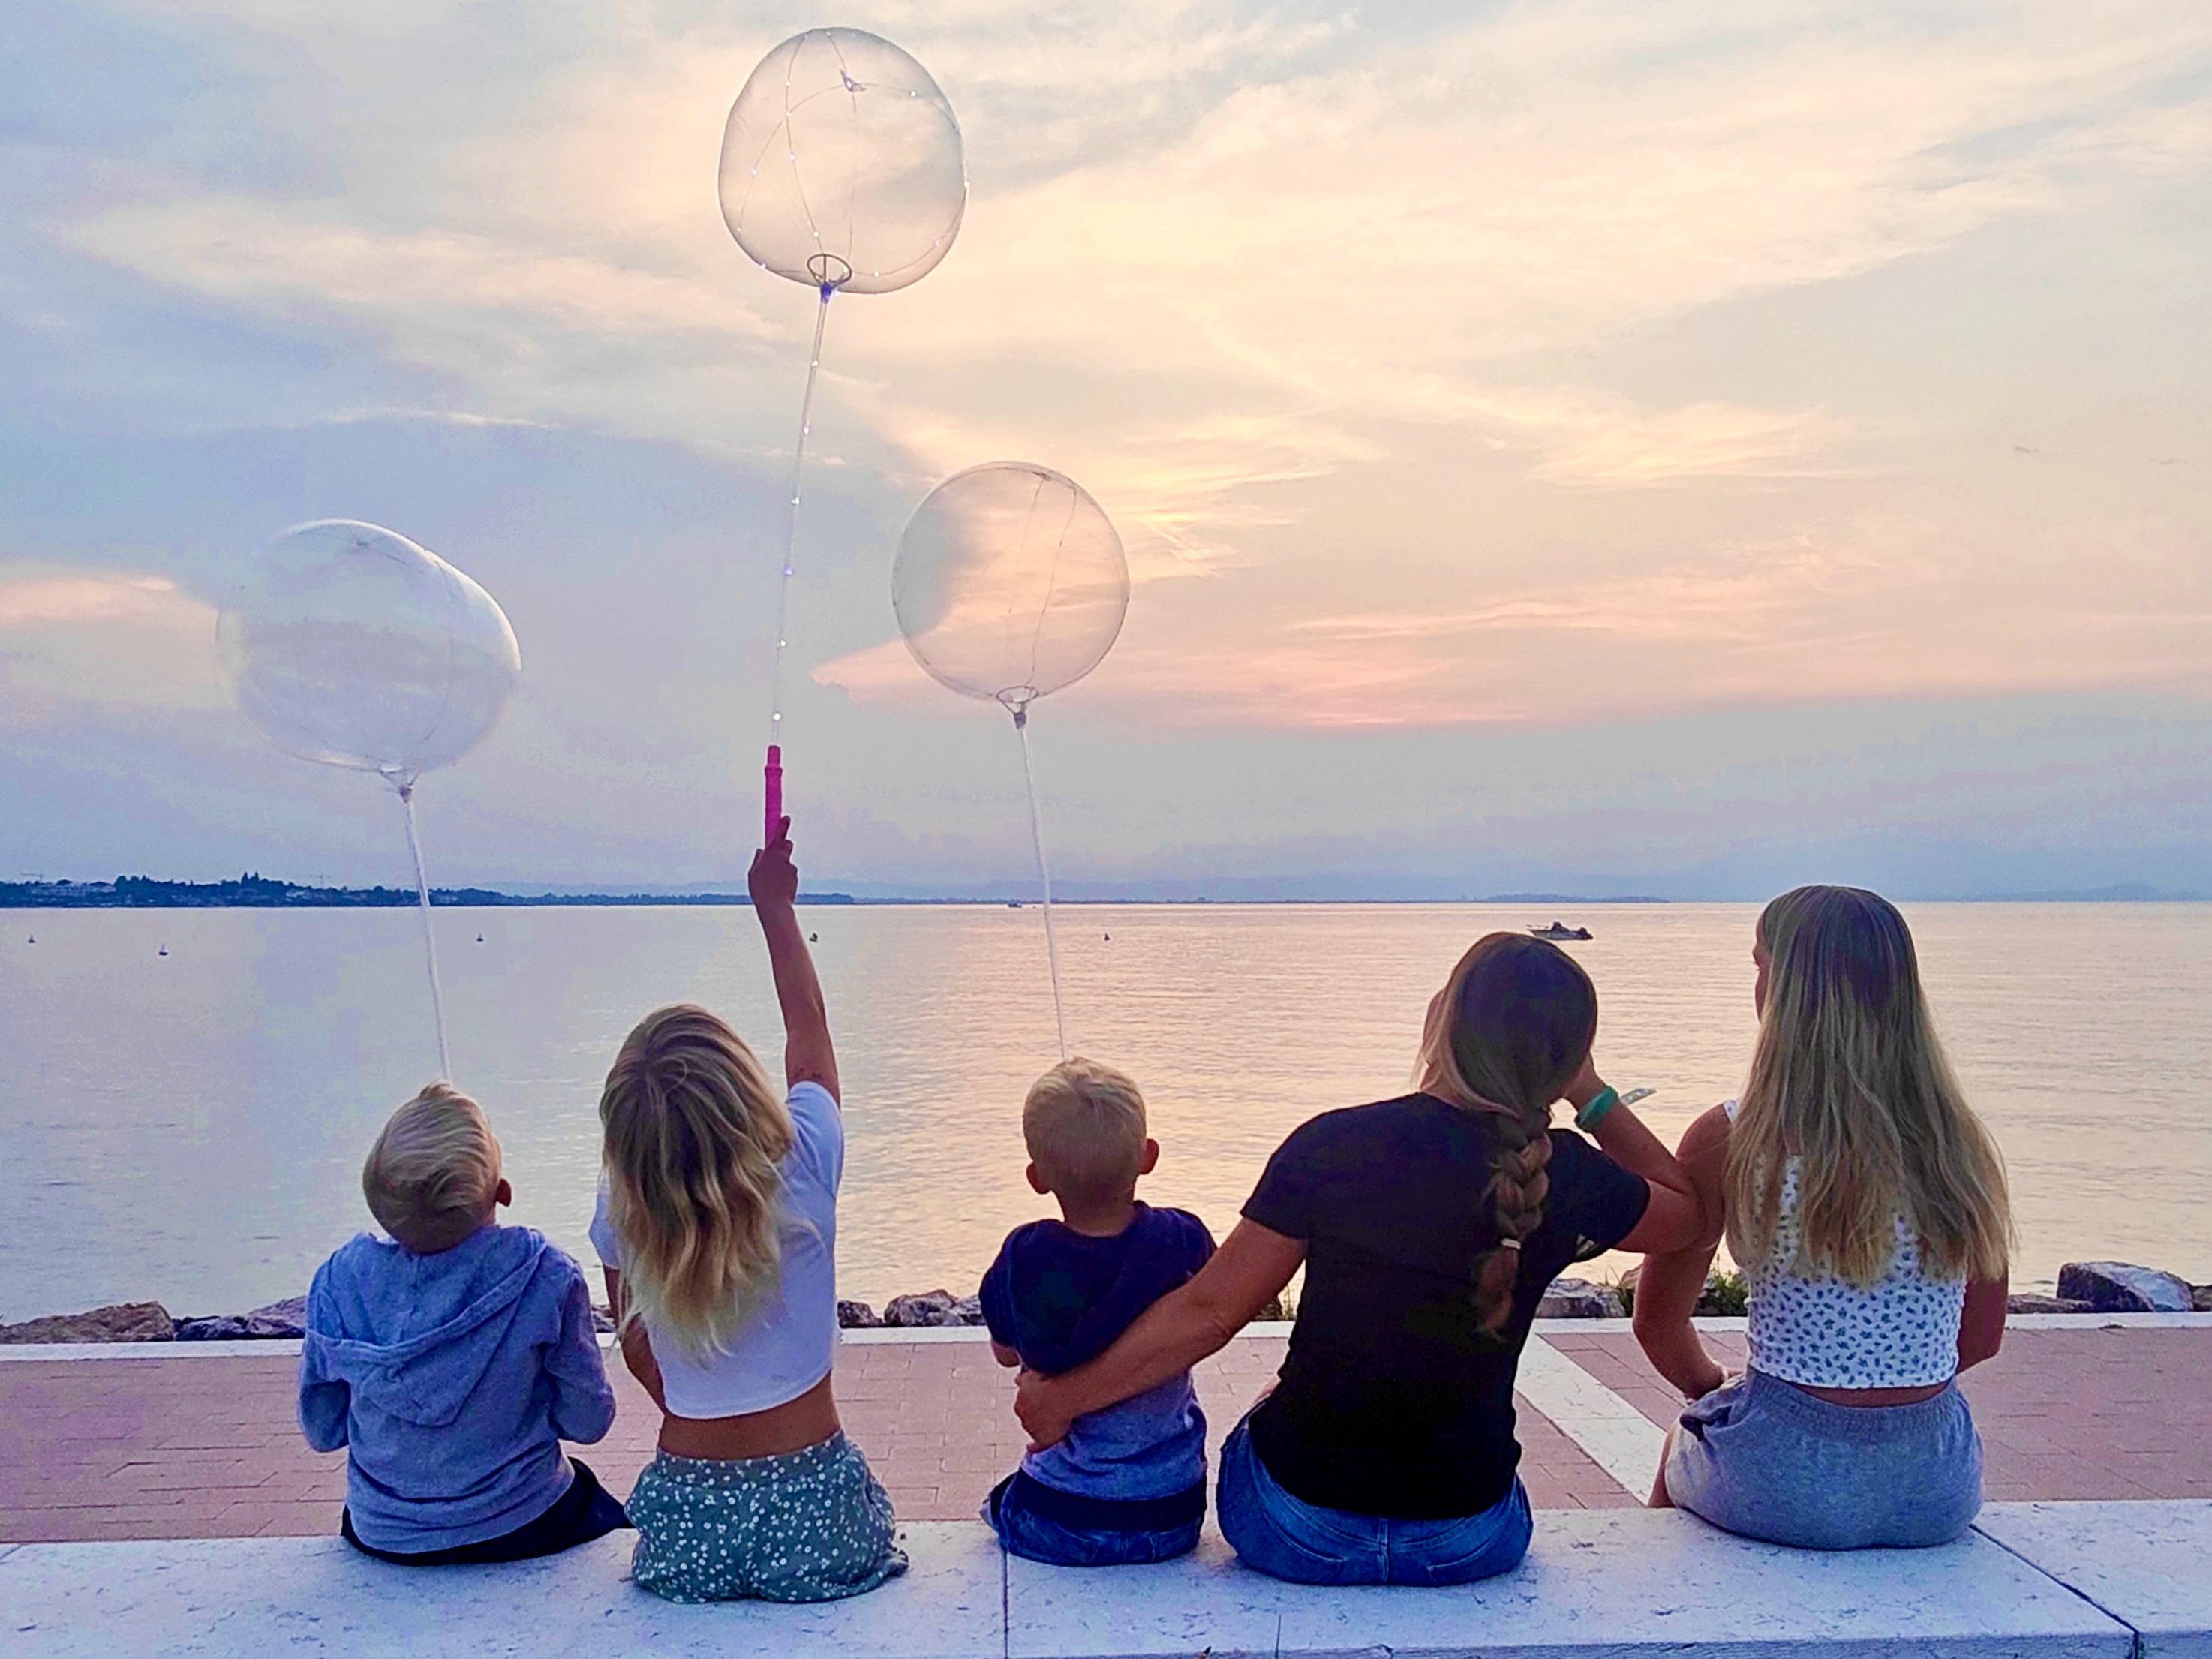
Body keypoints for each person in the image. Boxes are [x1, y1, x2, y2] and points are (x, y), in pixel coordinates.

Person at [1016, 933, 1703, 1586]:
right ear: (1568, 1055)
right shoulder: (1569, 1174)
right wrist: (1589, 1091)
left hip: (1291, 1526)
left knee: (1272, 1402)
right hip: (1471, 1537)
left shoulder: (1333, 1145)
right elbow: (1691, 1215)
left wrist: (1064, 1398)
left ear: (1444, 1018)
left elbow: (1210, 1311)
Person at [1633, 885, 2011, 1549]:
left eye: (1759, 964)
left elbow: (1657, 1322)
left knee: (1684, 1442)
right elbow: (1979, 1338)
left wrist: (1711, 1388)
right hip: (1935, 1481)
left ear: (1786, 990)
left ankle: (1664, 1604)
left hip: (1782, 1476)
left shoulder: (1732, 1137)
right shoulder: (1960, 1144)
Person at [591, 816, 904, 1604]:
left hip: (688, 1518)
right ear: (743, 1091)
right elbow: (809, 1034)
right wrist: (775, 908)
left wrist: (709, 1418)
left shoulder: (622, 1203)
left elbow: (638, 1349)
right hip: (816, 1514)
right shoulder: (805, 1158)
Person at [299, 1083, 627, 1564]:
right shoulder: (546, 1275)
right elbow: (588, 1421)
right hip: (523, 1518)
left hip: (385, 1531)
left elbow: (323, 1429)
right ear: (502, 1192)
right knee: (617, 1526)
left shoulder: (337, 1281)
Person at [979, 1057, 1216, 1566]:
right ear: (1148, 1156)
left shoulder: (1022, 1255)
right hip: (1171, 1514)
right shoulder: (1185, 1239)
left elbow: (1005, 1352)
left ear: (1037, 1178)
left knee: (1001, 1505)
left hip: (1065, 1514)